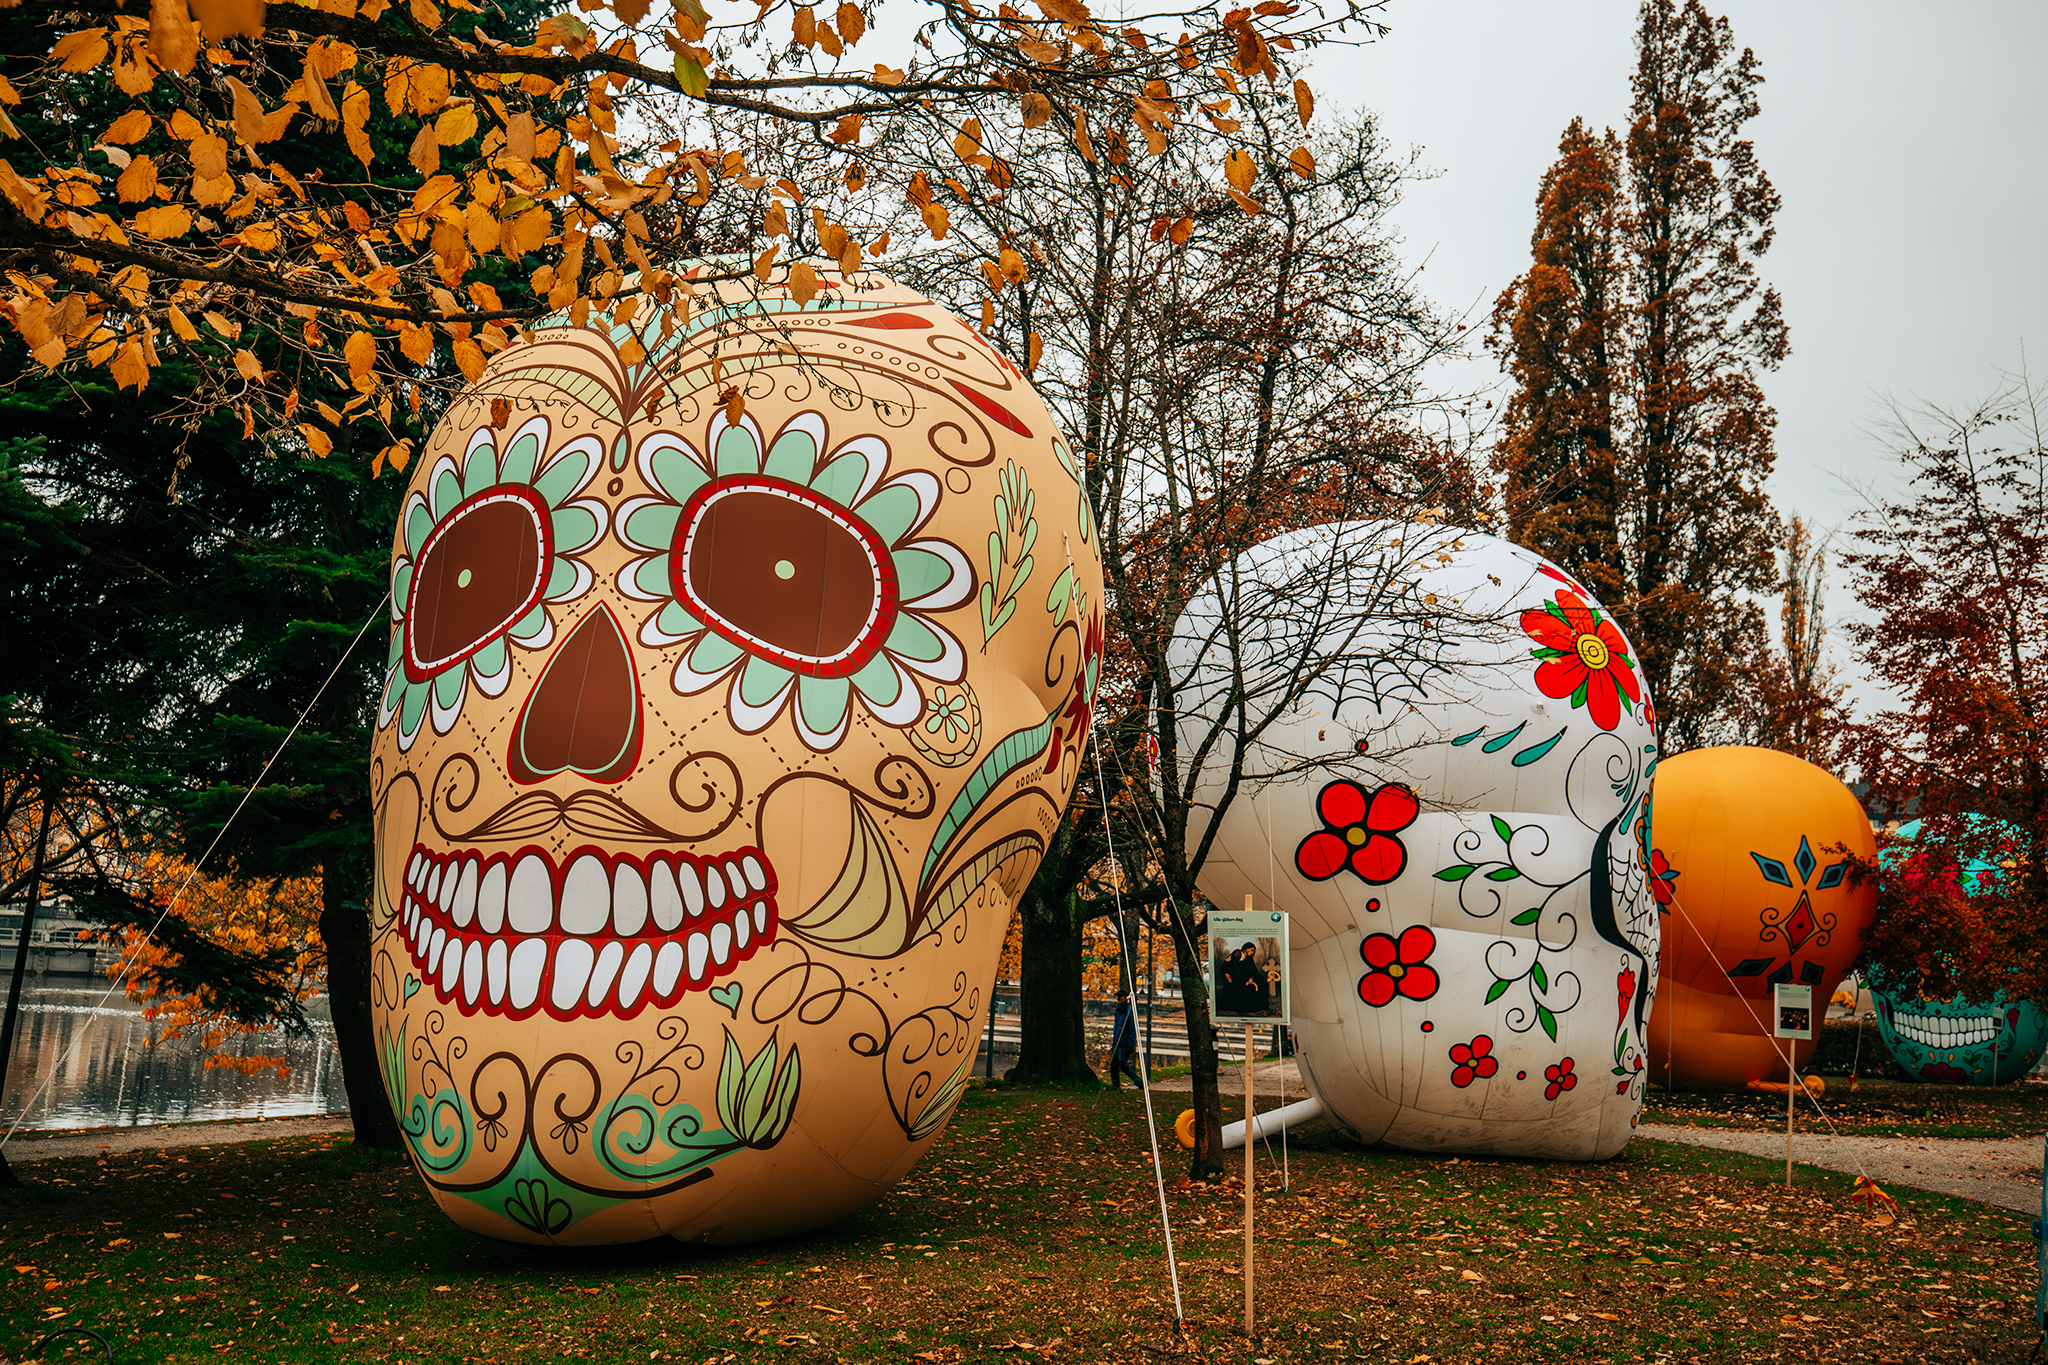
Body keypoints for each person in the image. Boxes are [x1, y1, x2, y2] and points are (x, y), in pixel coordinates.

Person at [1108, 990, 1144, 1089]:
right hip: (1116, 1042)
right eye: (1117, 997)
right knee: (1113, 1064)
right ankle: (1115, 1084)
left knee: (1122, 1064)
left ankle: (1139, 1082)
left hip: (1123, 1043)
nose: (1118, 998)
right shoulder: (1118, 1010)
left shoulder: (1128, 1011)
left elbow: (1132, 1029)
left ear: (1125, 997)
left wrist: (1130, 1043)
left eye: (1120, 996)